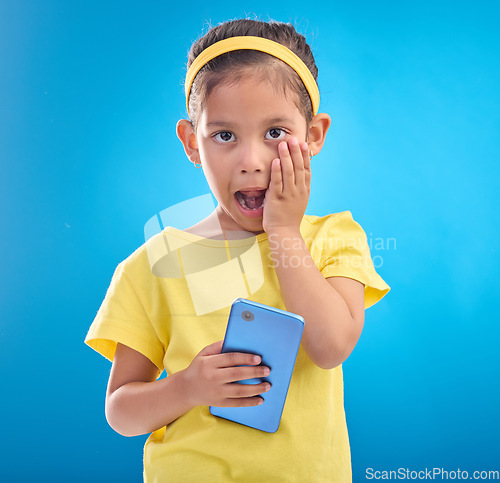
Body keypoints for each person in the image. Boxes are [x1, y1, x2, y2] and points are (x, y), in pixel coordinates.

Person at [85, 18, 390, 482]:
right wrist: (187, 387)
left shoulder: (335, 238)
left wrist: (284, 231)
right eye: (224, 136)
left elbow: (330, 346)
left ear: (314, 136)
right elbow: (121, 412)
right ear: (192, 143)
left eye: (274, 134)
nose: (251, 162)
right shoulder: (151, 265)